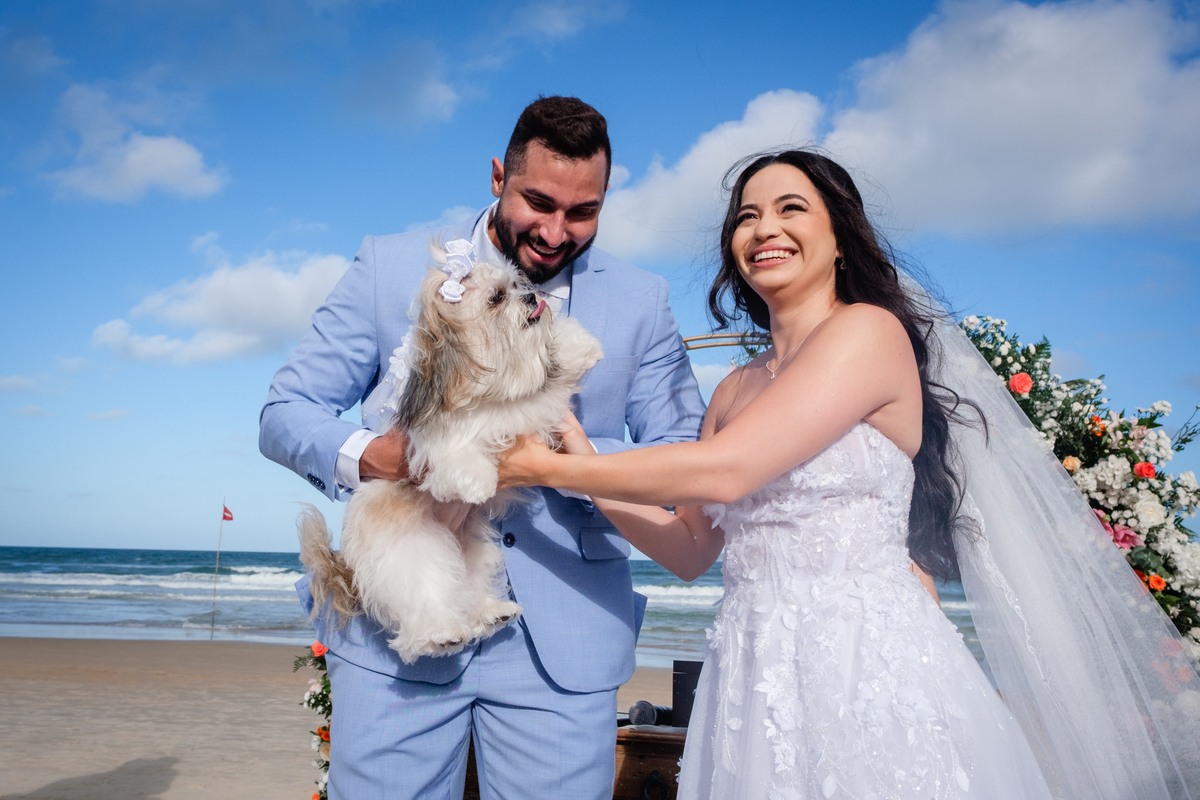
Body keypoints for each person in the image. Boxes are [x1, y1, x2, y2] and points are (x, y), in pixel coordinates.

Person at [498, 150, 1200, 799]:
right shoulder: (733, 390)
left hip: (869, 668)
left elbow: (726, 471)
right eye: (747, 216)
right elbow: (688, 550)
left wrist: (534, 465)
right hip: (752, 679)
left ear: (840, 239)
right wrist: (580, 465)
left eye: (791, 208)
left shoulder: (867, 333)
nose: (764, 228)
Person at [258, 96, 705, 800]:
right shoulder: (386, 266)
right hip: (396, 631)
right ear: (499, 176)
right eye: (539, 202)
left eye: (582, 212)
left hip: (564, 643)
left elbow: (681, 456)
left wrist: (559, 459)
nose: (555, 232)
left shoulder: (642, 301)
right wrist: (383, 456)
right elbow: (285, 413)